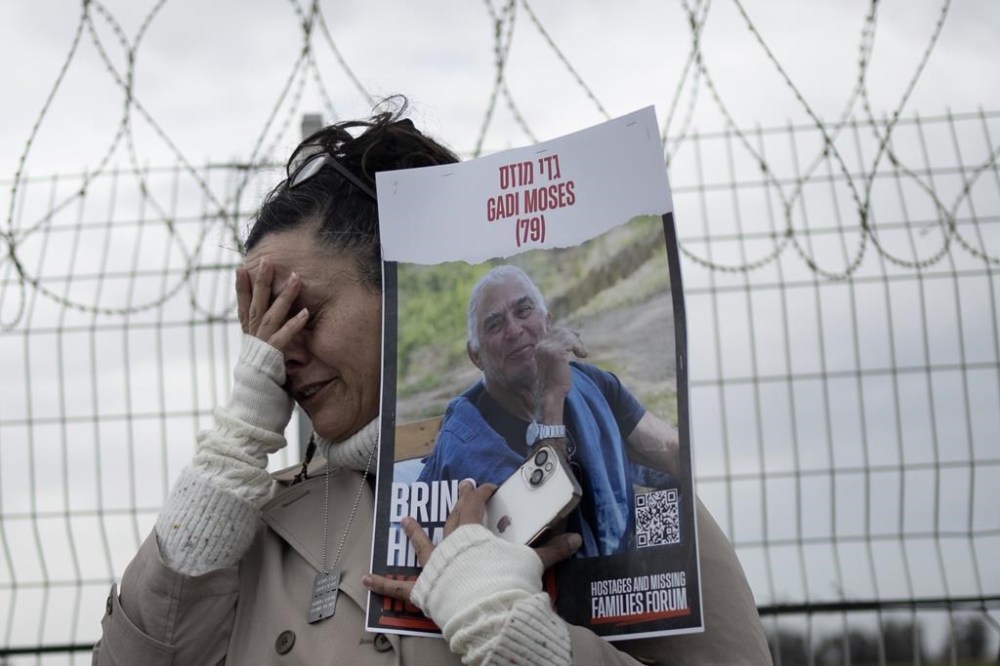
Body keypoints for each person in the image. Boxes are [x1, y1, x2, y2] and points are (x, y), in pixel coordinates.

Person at [92, 99, 772, 664]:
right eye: (261, 326)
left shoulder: (615, 485)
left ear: (397, 290)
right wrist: (223, 465)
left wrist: (524, 641)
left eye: (304, 312)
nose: (279, 352)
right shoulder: (247, 523)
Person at [417, 265, 680, 558]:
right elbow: (547, 536)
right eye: (494, 325)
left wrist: (660, 554)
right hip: (542, 591)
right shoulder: (467, 441)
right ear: (476, 356)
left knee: (686, 515)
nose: (514, 330)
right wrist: (550, 399)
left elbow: (668, 450)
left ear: (548, 321)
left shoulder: (590, 383)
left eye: (524, 310)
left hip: (621, 567)